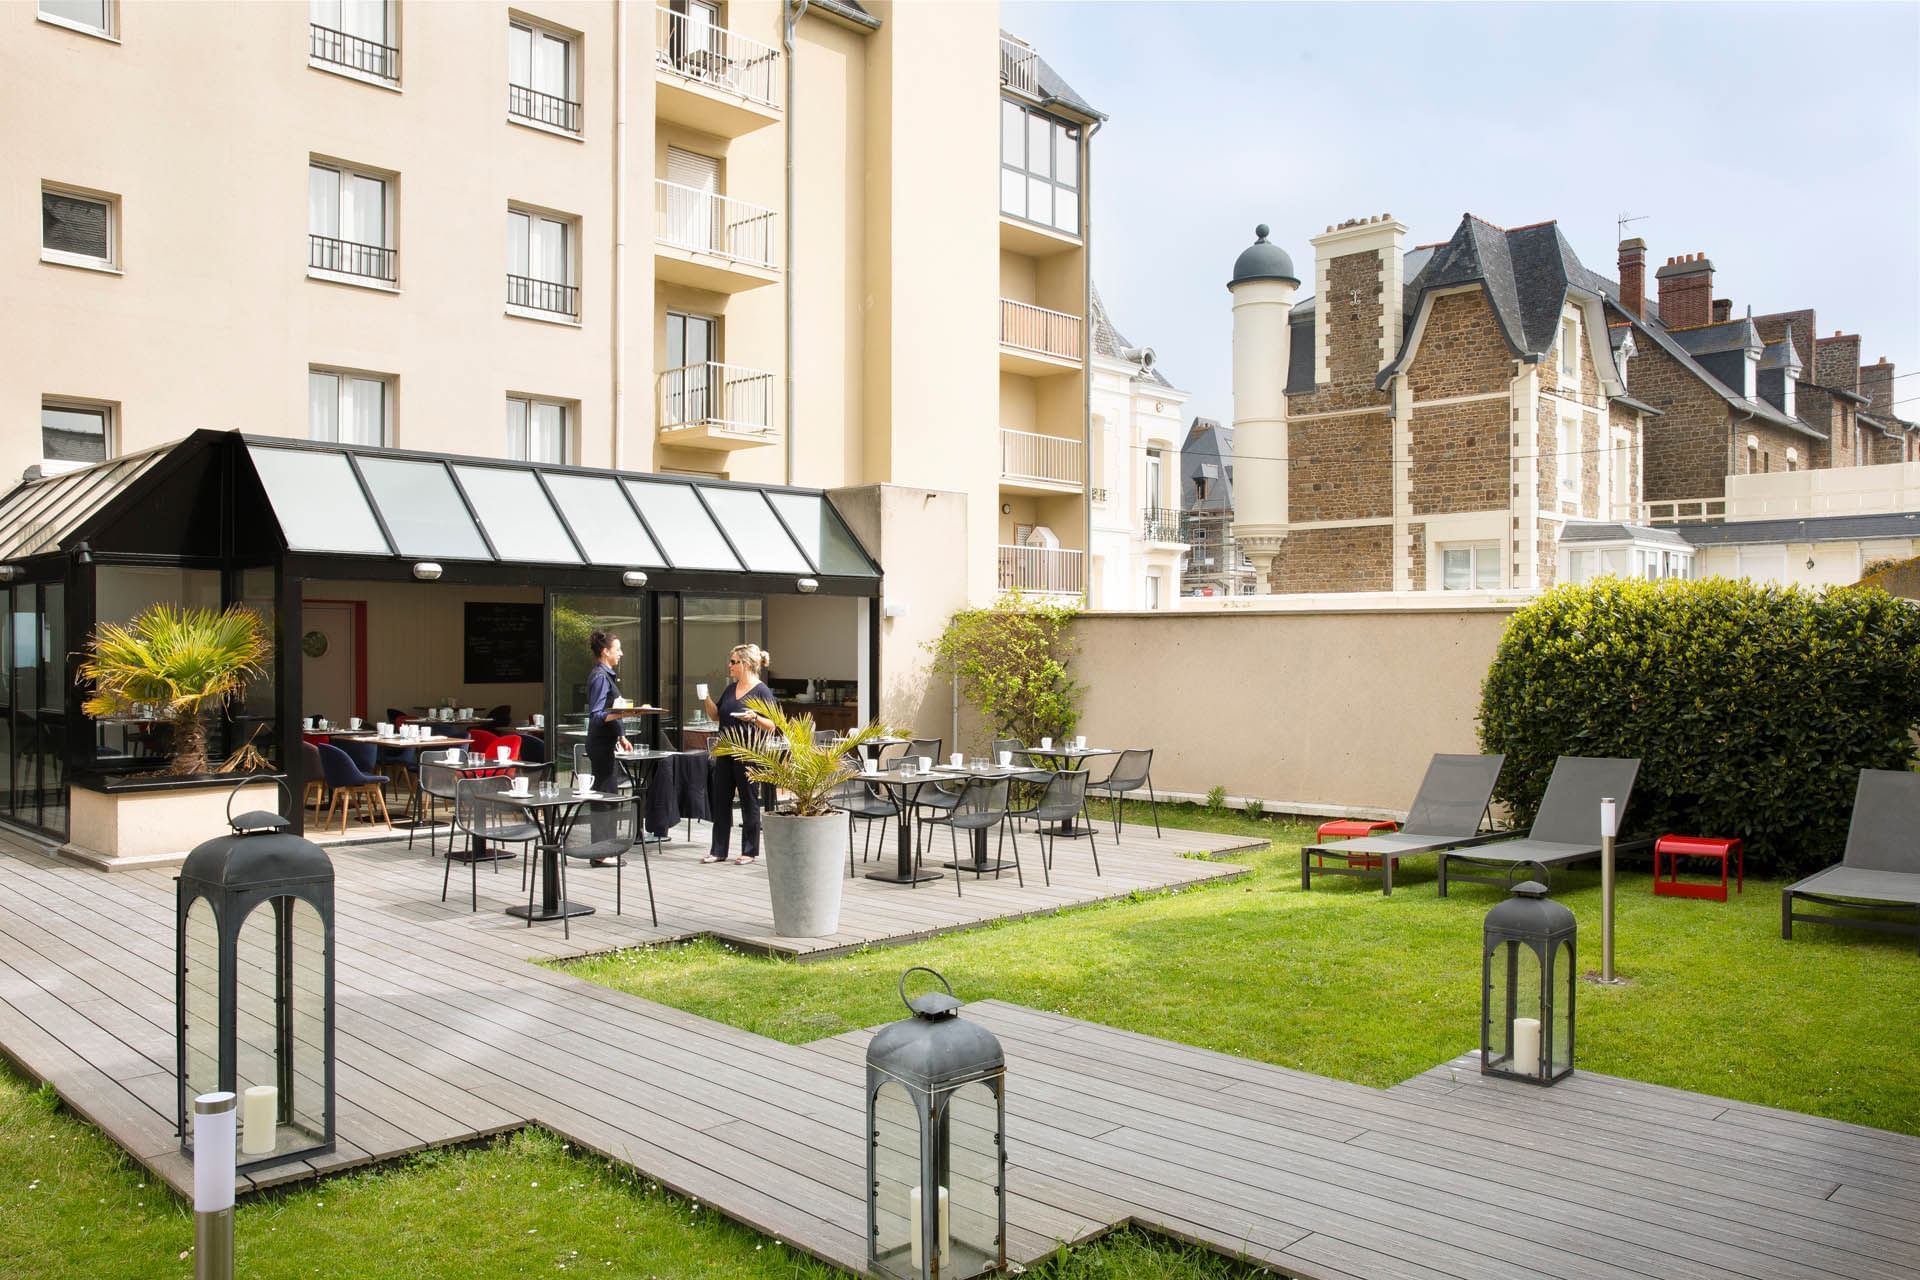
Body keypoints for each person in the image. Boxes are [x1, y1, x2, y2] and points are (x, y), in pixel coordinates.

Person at [702, 643, 774, 864]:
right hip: (724, 750)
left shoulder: (762, 691)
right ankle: (718, 850)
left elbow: (772, 725)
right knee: (721, 800)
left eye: (733, 662)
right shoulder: (730, 689)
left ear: (746, 664)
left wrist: (754, 717)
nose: (730, 665)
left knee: (749, 801)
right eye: (730, 661)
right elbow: (716, 716)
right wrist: (705, 698)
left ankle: (749, 851)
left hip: (748, 752)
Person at [583, 628, 631, 800]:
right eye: (617, 649)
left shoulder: (605, 675)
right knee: (606, 798)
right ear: (605, 652)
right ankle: (603, 828)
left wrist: (621, 735)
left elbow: (608, 709)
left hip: (605, 744)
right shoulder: (600, 677)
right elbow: (596, 715)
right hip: (600, 746)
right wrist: (623, 714)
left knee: (607, 796)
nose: (621, 653)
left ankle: (605, 827)